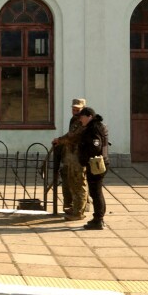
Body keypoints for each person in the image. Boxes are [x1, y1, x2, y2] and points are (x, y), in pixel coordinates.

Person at [72, 101, 111, 230]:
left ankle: (98, 219)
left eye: (82, 117)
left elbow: (96, 146)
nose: (80, 120)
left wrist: (86, 156)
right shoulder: (97, 126)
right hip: (99, 163)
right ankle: (98, 218)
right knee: (96, 192)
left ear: (89, 116)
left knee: (96, 192)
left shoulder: (93, 128)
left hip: (96, 165)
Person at [53, 98, 88, 220]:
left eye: (78, 109)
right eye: (73, 109)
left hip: (79, 156)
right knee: (72, 181)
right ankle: (76, 206)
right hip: (71, 155)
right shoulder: (74, 119)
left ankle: (79, 212)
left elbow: (72, 136)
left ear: (83, 109)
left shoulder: (83, 122)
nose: (75, 111)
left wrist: (60, 140)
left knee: (79, 183)